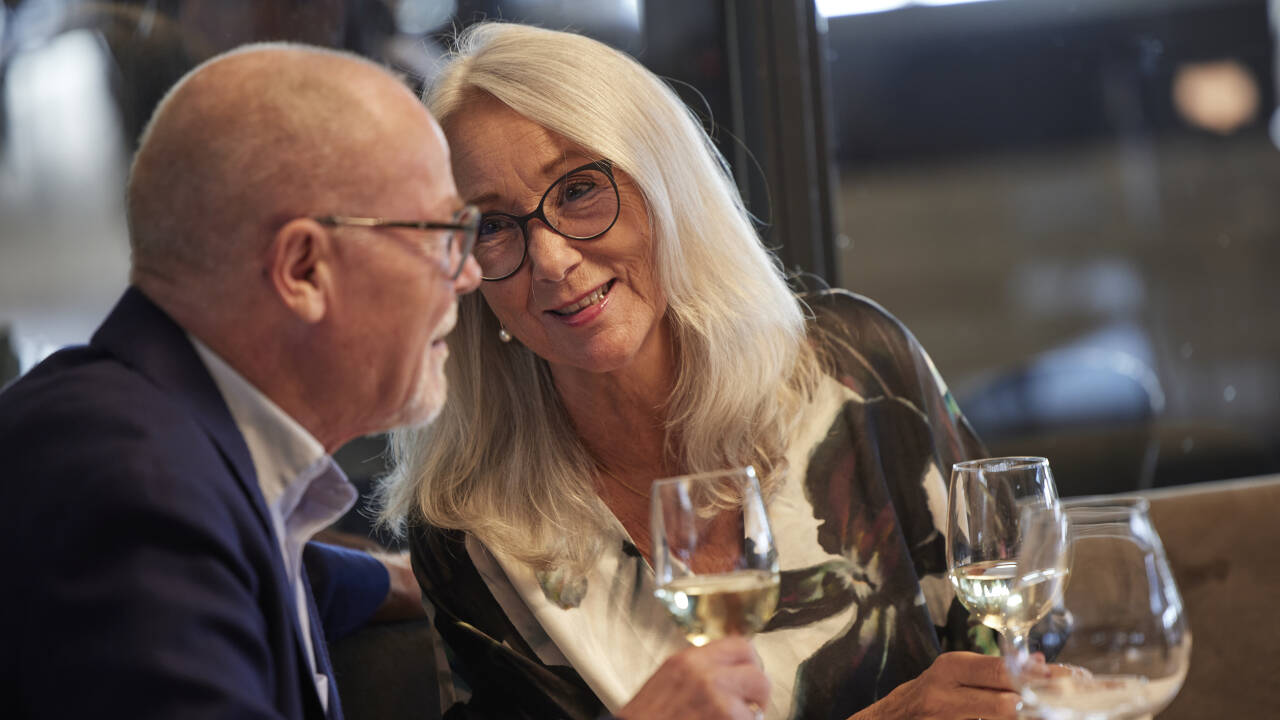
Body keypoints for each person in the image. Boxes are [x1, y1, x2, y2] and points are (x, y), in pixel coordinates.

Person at [378, 22, 1024, 720]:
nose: (554, 259)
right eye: (494, 225)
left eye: (578, 190)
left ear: (664, 182)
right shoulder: (471, 530)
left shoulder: (857, 368)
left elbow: (1030, 660)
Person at [0, 43, 481, 718]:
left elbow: (234, 563)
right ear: (304, 270)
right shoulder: (131, 489)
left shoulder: (152, 445)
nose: (469, 274)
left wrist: (387, 579)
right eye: (442, 234)